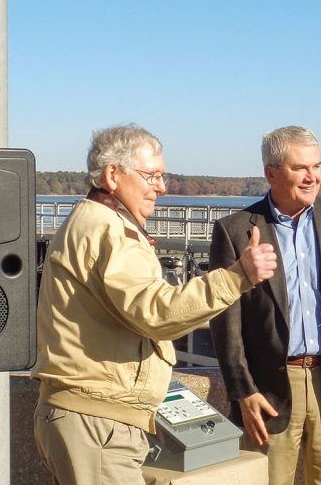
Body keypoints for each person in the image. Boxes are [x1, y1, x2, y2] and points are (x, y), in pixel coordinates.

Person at [31, 124, 278, 485]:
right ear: (113, 175)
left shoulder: (93, 221)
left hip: (90, 418)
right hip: (98, 423)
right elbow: (157, 313)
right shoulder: (110, 230)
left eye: (163, 177)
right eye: (151, 176)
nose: (161, 187)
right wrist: (237, 276)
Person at [208, 125, 321, 485]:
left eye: (317, 166)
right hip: (270, 386)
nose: (312, 177)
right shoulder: (235, 229)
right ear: (271, 173)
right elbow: (227, 323)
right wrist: (242, 391)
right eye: (300, 168)